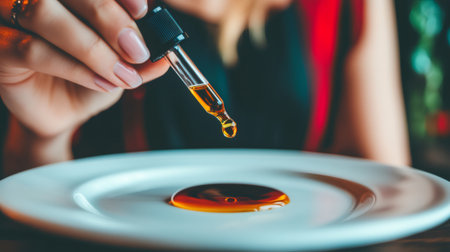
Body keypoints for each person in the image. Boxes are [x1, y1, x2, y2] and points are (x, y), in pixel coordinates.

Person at [0, 0, 410, 177]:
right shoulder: (102, 9)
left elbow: (387, 191)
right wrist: (43, 135)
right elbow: (34, 208)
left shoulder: (346, 7)